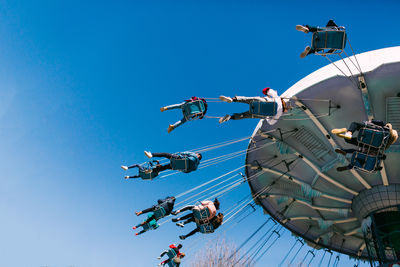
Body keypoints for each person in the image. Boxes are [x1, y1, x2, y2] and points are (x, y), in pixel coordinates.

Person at [218, 87, 289, 125]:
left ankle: (232, 99)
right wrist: (267, 117)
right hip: (261, 113)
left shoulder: (277, 97)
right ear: (284, 109)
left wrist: (265, 92)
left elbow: (267, 90)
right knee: (245, 115)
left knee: (246, 99)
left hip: (264, 102)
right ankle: (230, 117)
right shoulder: (279, 114)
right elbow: (271, 123)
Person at [332, 120, 398, 149]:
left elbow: (372, 122)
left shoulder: (384, 128)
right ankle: (346, 137)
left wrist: (369, 121)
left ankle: (349, 132)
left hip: (368, 131)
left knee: (355, 124)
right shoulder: (382, 146)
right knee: (349, 140)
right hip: (365, 142)